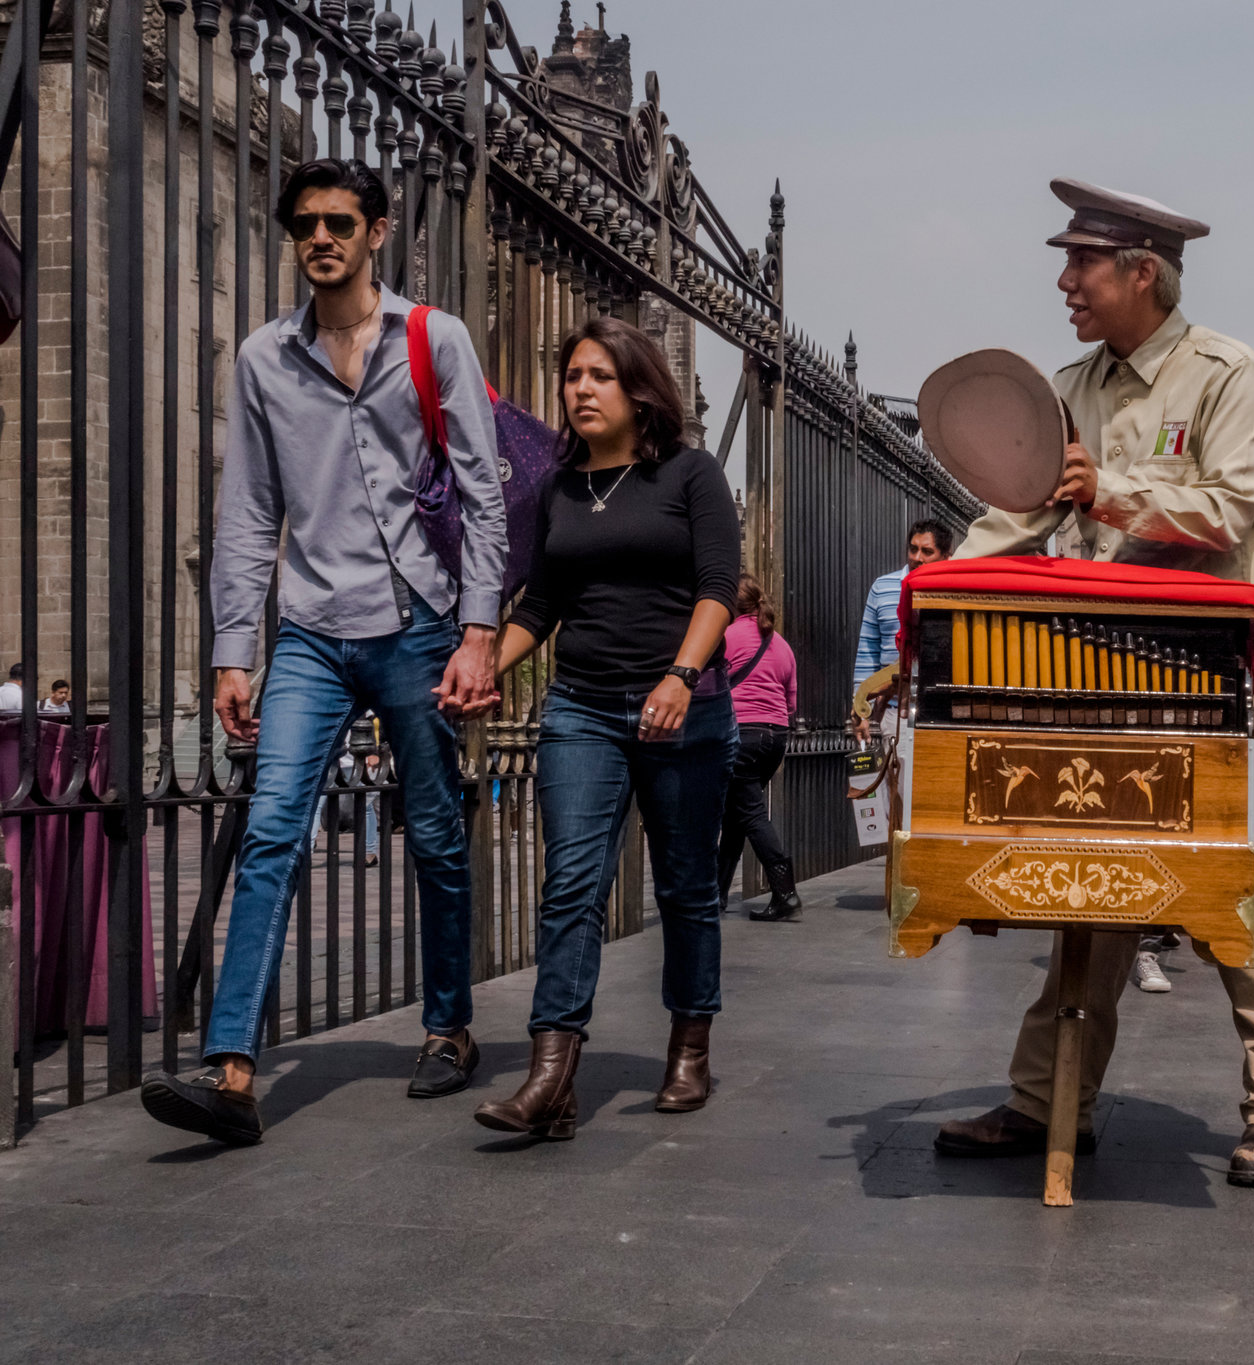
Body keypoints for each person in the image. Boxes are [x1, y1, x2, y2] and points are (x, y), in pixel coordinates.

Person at [933, 178, 1254, 1187]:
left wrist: (1111, 490)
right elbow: (1017, 516)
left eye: (1080, 263)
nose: (1063, 281)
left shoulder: (1227, 375)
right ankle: (1044, 1103)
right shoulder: (1068, 386)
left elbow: (1234, 509)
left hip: (1217, 677)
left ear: (1141, 272)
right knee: (1087, 881)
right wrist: (931, 592)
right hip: (1102, 673)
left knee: (1243, 891)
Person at [138, 158, 504, 1146]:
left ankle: (447, 1027)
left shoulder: (434, 339)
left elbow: (482, 488)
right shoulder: (263, 359)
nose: (321, 238)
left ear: (376, 231)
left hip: (419, 623)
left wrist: (478, 633)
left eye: (339, 221)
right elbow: (250, 511)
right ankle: (232, 1073)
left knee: (433, 835)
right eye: (304, 224)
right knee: (268, 833)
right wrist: (230, 650)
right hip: (309, 628)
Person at [468, 318, 740, 1140]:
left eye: (599, 376)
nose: (579, 389)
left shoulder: (692, 475)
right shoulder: (558, 488)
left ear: (639, 390)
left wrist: (680, 676)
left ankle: (689, 1044)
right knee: (571, 886)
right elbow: (542, 607)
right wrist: (485, 662)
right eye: (571, 375)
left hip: (681, 707)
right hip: (582, 704)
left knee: (687, 888)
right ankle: (552, 1074)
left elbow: (718, 588)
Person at [717, 572, 802, 923]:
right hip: (776, 737)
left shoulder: (724, 636)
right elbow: (791, 702)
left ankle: (785, 892)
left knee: (749, 813)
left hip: (742, 734)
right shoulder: (780, 644)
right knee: (737, 813)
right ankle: (716, 893)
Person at [851, 520, 951, 743]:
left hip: (943, 713)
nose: (917, 557)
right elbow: (867, 653)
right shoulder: (882, 588)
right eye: (913, 549)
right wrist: (860, 707)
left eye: (927, 551)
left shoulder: (954, 590)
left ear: (946, 555)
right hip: (893, 711)